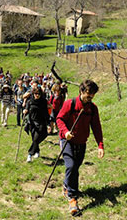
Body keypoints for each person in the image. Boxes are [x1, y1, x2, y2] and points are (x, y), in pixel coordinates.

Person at [56, 79, 104, 216]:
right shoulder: (69, 104)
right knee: (70, 166)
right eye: (88, 93)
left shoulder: (93, 109)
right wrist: (65, 132)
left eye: (93, 94)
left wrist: (100, 145)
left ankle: (66, 185)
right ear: (81, 91)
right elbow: (59, 119)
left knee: (75, 168)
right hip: (67, 141)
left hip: (81, 142)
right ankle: (72, 198)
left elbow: (96, 127)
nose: (90, 96)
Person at [23, 87, 51, 163]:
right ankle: (37, 152)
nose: (37, 95)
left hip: (41, 122)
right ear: (33, 94)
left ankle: (29, 154)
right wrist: (25, 111)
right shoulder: (30, 101)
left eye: (38, 94)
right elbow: (27, 110)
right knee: (35, 139)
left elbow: (46, 113)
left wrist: (48, 124)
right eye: (35, 94)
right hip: (32, 123)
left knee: (37, 138)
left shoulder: (43, 102)